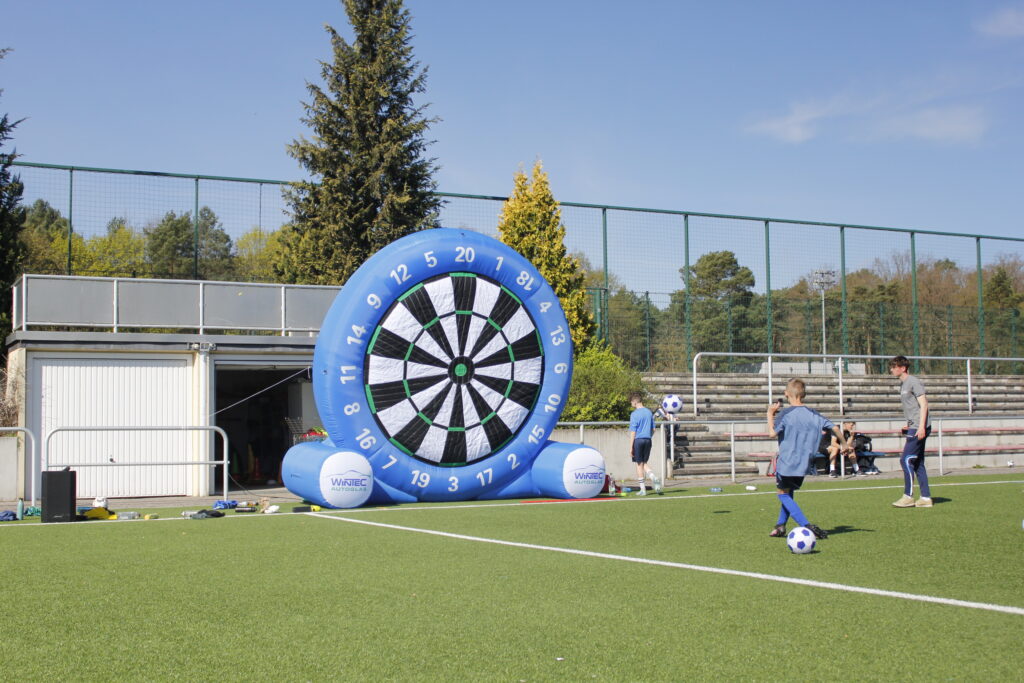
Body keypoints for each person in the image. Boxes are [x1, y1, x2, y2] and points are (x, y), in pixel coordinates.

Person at [766, 378, 851, 539]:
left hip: (787, 462)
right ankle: (780, 525)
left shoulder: (785, 414)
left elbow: (772, 433)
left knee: (782, 494)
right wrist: (845, 444)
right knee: (788, 492)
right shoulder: (814, 414)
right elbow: (834, 427)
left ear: (786, 394)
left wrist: (770, 414)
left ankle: (807, 525)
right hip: (805, 463)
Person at [889, 355, 932, 508]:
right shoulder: (903, 385)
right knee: (918, 462)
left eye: (894, 367)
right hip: (913, 425)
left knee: (906, 459)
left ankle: (908, 496)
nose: (891, 369)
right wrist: (909, 424)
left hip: (919, 426)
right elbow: (912, 408)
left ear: (903, 368)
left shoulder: (913, 381)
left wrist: (921, 427)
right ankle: (926, 498)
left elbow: (924, 404)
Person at [629, 392, 662, 495]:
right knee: (644, 463)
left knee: (639, 464)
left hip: (638, 441)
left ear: (635, 402)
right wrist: (648, 436)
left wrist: (631, 447)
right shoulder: (648, 412)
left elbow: (633, 432)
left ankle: (642, 490)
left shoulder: (634, 414)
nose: (631, 404)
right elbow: (653, 429)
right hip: (648, 440)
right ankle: (654, 478)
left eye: (631, 402)